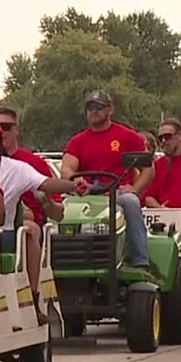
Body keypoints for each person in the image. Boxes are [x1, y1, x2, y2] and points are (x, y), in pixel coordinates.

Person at [0, 118, 78, 321]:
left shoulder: (17, 168)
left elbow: (45, 184)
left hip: (5, 233)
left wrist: (73, 186)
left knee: (29, 232)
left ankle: (33, 297)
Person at [59, 90, 153, 270]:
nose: (93, 111)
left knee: (131, 201)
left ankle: (140, 260)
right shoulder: (78, 141)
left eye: (99, 107)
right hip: (86, 192)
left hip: (115, 191)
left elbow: (148, 168)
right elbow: (67, 167)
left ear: (110, 109)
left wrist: (135, 188)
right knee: (61, 209)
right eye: (90, 107)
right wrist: (75, 180)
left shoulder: (127, 136)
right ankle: (63, 260)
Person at [0, 106, 63, 225]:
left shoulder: (35, 163)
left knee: (28, 228)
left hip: (26, 225)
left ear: (17, 130)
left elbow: (58, 214)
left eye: (6, 127)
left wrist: (46, 202)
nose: (0, 132)